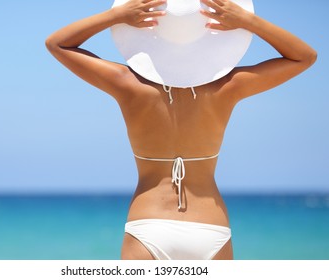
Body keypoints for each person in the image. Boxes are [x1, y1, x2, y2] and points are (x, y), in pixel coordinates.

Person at [45, 0, 317, 260]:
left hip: (148, 223)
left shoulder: (127, 84)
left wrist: (117, 16)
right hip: (211, 226)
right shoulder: (227, 87)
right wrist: (247, 21)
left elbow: (57, 44)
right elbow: (304, 57)